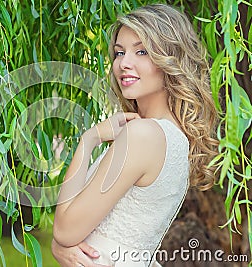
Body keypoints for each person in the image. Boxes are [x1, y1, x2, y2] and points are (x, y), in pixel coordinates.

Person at [52, 4, 218, 267]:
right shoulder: (174, 138)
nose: (124, 64)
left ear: (170, 60)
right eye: (119, 52)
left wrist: (89, 140)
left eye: (141, 51)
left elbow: (64, 231)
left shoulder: (143, 135)